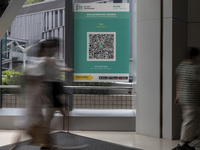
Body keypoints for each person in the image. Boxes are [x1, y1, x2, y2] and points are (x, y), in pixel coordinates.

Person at [174, 47, 200, 150]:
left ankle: (185, 142)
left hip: (183, 99)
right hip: (191, 99)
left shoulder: (181, 66)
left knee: (189, 120)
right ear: (193, 56)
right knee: (189, 121)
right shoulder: (194, 68)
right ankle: (181, 144)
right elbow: (196, 84)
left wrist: (178, 95)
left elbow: (179, 81)